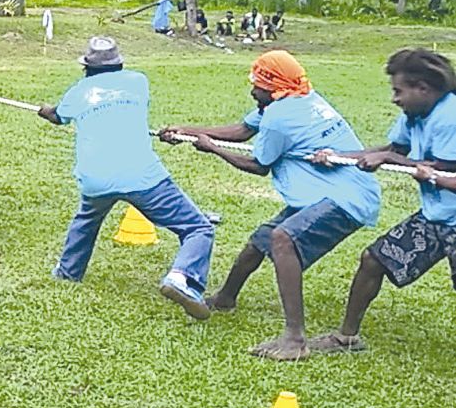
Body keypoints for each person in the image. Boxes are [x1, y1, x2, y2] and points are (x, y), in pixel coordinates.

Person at [160, 50, 381, 361]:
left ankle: (294, 339)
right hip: (325, 192)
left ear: (274, 87)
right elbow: (241, 131)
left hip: (345, 198)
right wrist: (186, 131)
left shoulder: (279, 116)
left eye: (258, 85)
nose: (252, 91)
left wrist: (213, 149)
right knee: (259, 241)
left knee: (282, 239)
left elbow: (258, 165)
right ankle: (225, 298)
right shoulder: (299, 97)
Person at [38, 36, 214, 317]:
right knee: (198, 228)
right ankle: (181, 278)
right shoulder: (138, 81)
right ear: (119, 64)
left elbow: (58, 116)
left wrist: (46, 111)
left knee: (87, 219)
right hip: (142, 175)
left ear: (87, 68)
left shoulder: (78, 91)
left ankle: (68, 272)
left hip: (96, 178)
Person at [310, 49, 456, 353]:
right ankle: (346, 338)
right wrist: (339, 156)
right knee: (373, 260)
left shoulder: (449, 117)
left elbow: (443, 169)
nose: (394, 99)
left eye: (398, 91)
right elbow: (394, 148)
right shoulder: (415, 115)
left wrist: (388, 158)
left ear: (423, 88)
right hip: (437, 216)